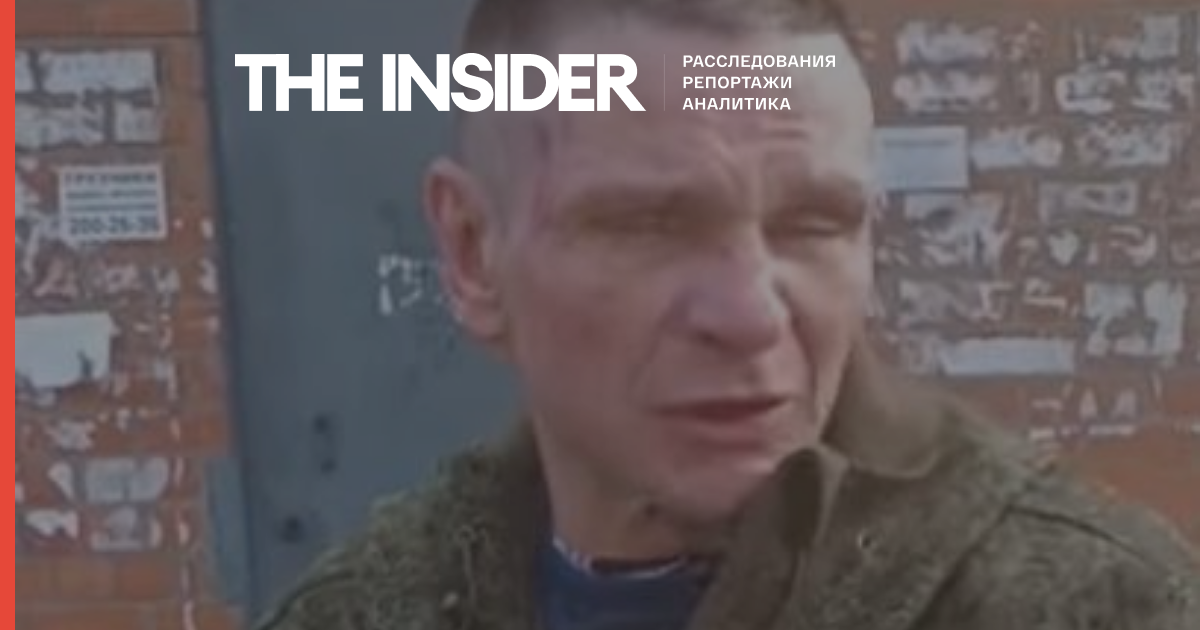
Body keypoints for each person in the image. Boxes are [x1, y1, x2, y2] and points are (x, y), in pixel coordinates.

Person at [254, 0, 1200, 628]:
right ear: (471, 252)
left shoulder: (1094, 608)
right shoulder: (358, 615)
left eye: (813, 223)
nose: (750, 315)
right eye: (648, 226)